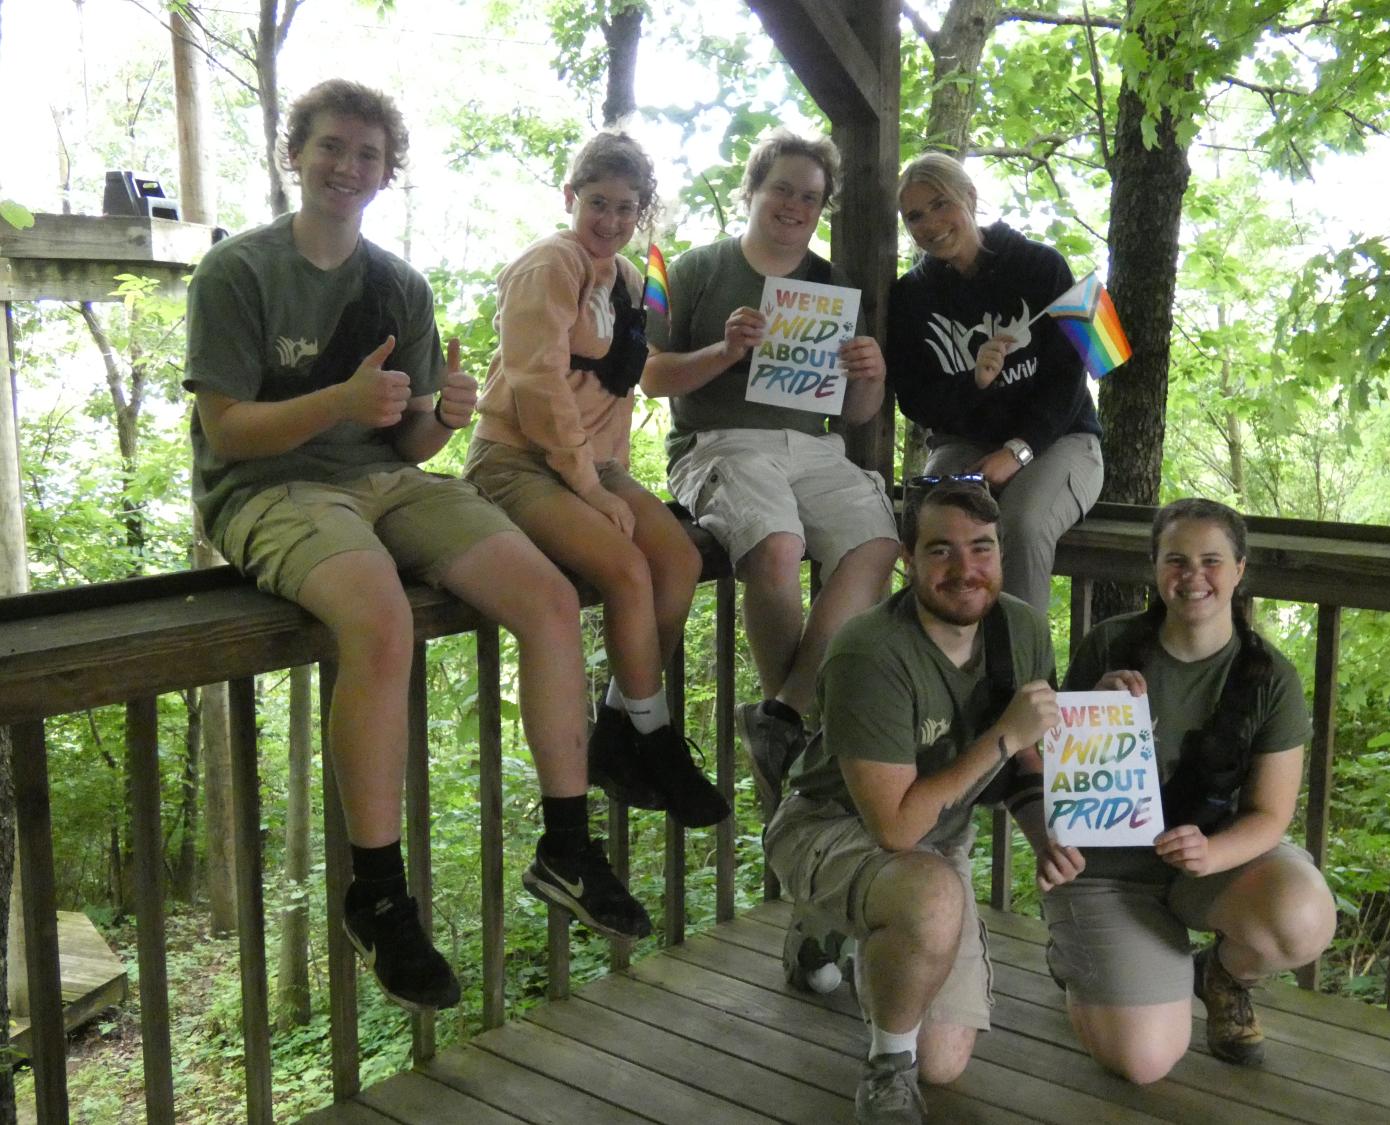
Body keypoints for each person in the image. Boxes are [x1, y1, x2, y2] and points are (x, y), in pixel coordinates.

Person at [184, 80, 651, 1013]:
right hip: (267, 489)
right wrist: (341, 404)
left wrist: (440, 415)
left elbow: (409, 445)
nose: (346, 166)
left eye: (366, 153)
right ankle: (378, 891)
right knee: (382, 619)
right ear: (296, 154)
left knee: (550, 596)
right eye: (330, 146)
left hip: (388, 482)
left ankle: (564, 843)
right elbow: (227, 430)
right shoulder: (238, 272)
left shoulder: (400, 284)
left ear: (386, 171)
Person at [764, 478, 1059, 1124]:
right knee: (928, 896)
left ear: (1001, 552)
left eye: (981, 548)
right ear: (907, 557)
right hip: (833, 826)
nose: (965, 569)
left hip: (936, 835)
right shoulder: (869, 650)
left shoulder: (1022, 630)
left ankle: (832, 934)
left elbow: (1028, 758)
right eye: (941, 551)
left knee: (946, 1060)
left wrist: (1046, 838)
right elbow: (894, 824)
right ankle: (884, 1072)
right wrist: (1001, 735)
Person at [1016, 498, 1337, 1082]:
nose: (1194, 577)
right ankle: (1081, 959)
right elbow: (1054, 769)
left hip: (1205, 867)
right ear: (1155, 568)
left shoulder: (1272, 678)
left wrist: (1211, 854)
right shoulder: (1109, 646)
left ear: (1240, 570)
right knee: (1143, 1062)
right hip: (1105, 870)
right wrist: (1096, 710)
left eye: (1212, 560)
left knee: (1304, 917)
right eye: (1177, 560)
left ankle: (1221, 974)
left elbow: (1270, 814)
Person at [464, 132, 727, 829]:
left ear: (642, 213)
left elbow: (626, 381)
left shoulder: (630, 280)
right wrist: (591, 488)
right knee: (626, 569)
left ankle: (620, 726)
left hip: (593, 465)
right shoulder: (549, 265)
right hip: (517, 458)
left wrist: (733, 349)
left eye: (626, 209)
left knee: (679, 558)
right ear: (570, 197)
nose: (610, 221)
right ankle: (657, 739)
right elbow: (538, 384)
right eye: (598, 203)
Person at [641, 128, 900, 810]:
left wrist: (870, 374)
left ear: (821, 210)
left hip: (813, 447)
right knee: (777, 544)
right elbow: (649, 376)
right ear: (752, 190)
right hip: (720, 443)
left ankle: (784, 711)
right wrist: (724, 352)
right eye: (782, 188)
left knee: (877, 541)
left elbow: (856, 412)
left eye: (810, 197)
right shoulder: (689, 268)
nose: (794, 205)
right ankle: (802, 745)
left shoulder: (832, 284)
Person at [888, 152, 1104, 614]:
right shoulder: (911, 297)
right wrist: (976, 382)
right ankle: (939, 664)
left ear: (969, 197)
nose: (930, 223)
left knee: (1021, 525)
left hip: (1060, 441)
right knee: (931, 521)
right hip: (964, 445)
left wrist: (1019, 450)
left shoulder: (1039, 267)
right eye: (914, 216)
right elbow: (916, 399)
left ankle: (1023, 675)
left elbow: (1068, 378)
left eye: (941, 203)